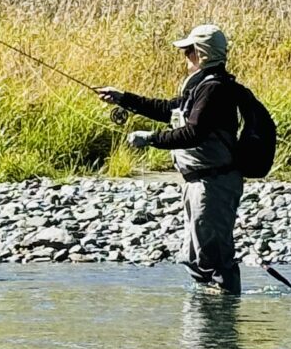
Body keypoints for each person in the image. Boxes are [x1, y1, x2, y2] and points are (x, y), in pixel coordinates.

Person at [98, 23, 245, 293]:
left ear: (201, 53)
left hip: (213, 184)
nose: (185, 56)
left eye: (188, 50)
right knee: (196, 256)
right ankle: (208, 307)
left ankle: (224, 310)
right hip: (201, 182)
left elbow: (193, 133)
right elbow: (168, 110)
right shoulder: (202, 88)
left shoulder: (214, 89)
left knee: (213, 257)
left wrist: (151, 138)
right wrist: (123, 99)